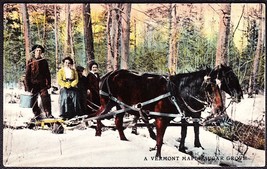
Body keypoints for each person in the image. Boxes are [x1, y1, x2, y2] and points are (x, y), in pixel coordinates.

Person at [25, 44, 52, 120]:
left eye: (40, 51)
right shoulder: (30, 61)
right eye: (37, 50)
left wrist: (49, 84)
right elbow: (27, 75)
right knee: (33, 100)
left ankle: (48, 113)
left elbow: (47, 73)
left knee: (45, 98)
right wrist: (27, 87)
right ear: (34, 52)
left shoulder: (44, 62)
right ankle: (37, 114)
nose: (38, 52)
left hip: (42, 84)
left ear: (42, 52)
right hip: (33, 84)